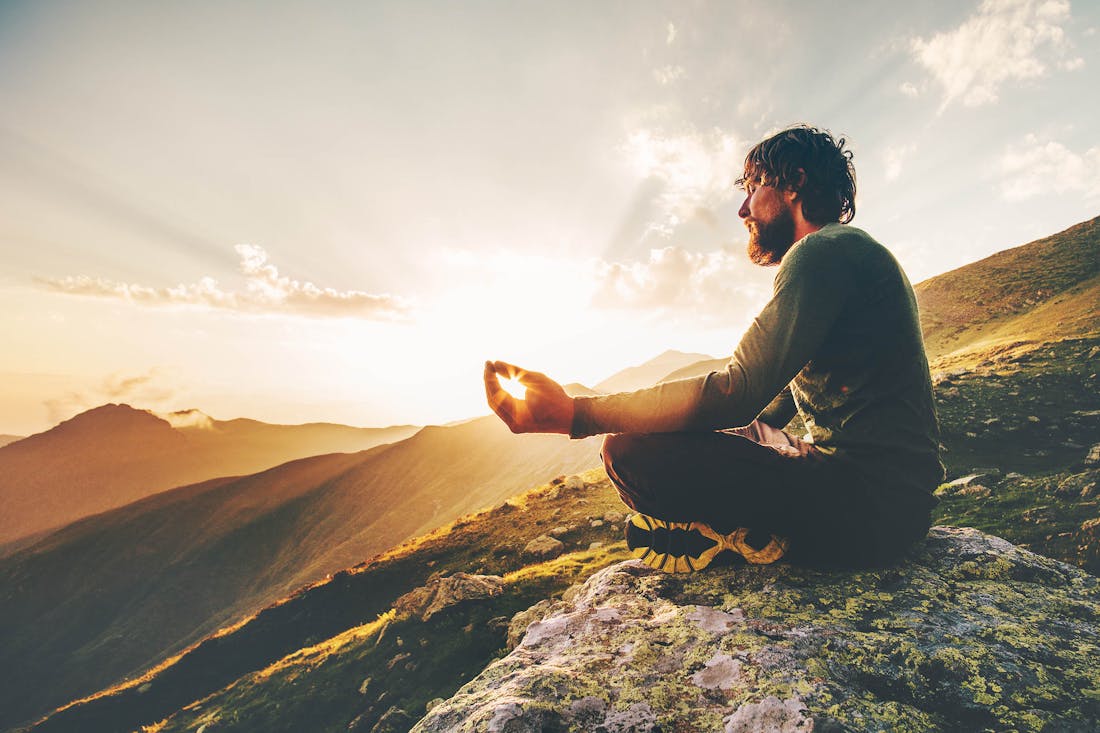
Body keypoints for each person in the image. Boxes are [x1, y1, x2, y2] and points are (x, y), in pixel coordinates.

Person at [484, 124, 944, 572]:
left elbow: (737, 391)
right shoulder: (850, 252)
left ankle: (736, 532)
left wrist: (575, 415)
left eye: (753, 186)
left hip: (871, 508)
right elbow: (769, 406)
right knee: (683, 438)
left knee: (627, 452)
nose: (744, 209)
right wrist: (714, 438)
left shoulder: (821, 253)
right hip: (893, 506)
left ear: (794, 183)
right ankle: (747, 534)